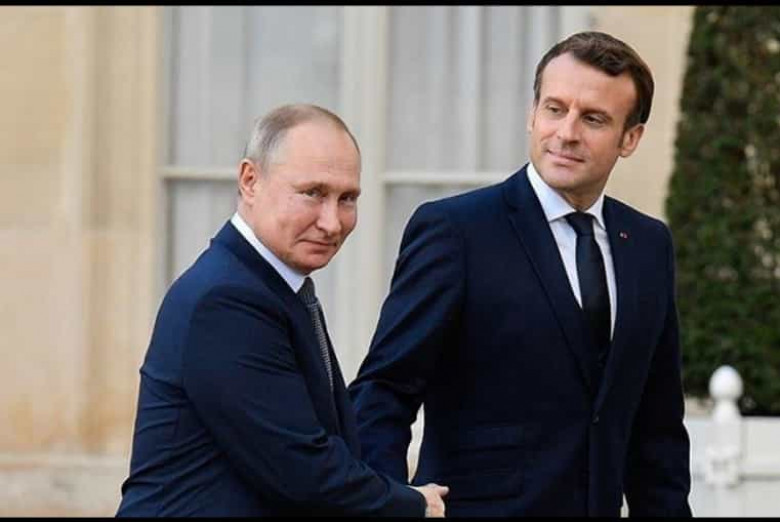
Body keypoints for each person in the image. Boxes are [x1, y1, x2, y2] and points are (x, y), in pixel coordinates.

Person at [349, 31, 692, 517]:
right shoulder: (455, 232)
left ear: (630, 138)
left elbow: (658, 427)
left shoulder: (648, 245)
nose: (567, 133)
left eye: (593, 118)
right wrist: (389, 505)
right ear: (532, 113)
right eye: (555, 109)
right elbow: (384, 391)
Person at [117, 104, 448, 517]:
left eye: (347, 198)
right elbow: (300, 469)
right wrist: (413, 504)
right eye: (313, 193)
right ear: (250, 181)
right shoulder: (227, 300)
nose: (332, 223)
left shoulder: (272, 286)